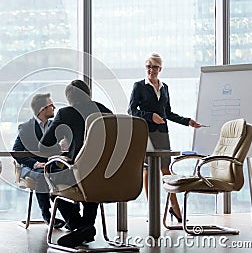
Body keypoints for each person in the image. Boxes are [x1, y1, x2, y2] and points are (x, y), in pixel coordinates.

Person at [128, 53, 201, 223]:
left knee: (165, 170)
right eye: (148, 66)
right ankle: (151, 210)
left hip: (162, 133)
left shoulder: (164, 87)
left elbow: (167, 113)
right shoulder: (139, 86)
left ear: (160, 68)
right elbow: (132, 111)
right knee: (147, 170)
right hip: (145, 132)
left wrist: (187, 121)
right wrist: (150, 115)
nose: (150, 70)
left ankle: (175, 208)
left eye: (154, 67)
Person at [39, 79, 112, 247]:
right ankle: (86, 226)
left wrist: (62, 145)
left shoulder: (66, 113)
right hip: (107, 172)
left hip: (78, 170)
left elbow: (44, 145)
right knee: (93, 181)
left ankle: (78, 224)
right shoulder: (104, 110)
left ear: (69, 97)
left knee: (50, 179)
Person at [12, 93, 65, 229]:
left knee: (67, 174)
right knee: (43, 176)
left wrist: (62, 147)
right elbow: (16, 151)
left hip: (51, 165)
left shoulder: (55, 126)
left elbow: (58, 148)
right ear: (42, 109)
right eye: (51, 105)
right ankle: (47, 216)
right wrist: (35, 163)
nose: (54, 107)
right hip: (31, 167)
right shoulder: (26, 127)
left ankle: (71, 218)